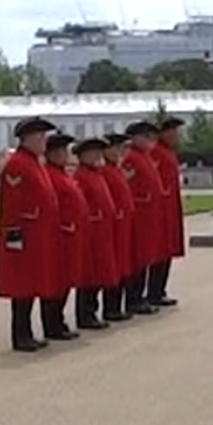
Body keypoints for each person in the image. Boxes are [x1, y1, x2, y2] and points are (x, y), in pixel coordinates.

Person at [0, 116, 62, 352]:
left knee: (32, 284)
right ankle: (20, 335)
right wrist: (14, 235)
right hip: (24, 236)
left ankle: (27, 333)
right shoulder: (18, 164)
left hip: (38, 235)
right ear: (28, 139)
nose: (44, 141)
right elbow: (12, 203)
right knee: (21, 286)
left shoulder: (34, 162)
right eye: (40, 137)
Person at [71, 137, 122, 331]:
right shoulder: (81, 175)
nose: (97, 156)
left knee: (99, 272)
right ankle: (85, 314)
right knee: (89, 274)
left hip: (102, 230)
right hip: (91, 230)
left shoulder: (95, 173)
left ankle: (92, 311)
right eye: (93, 152)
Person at [41, 132, 86, 341]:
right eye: (58, 152)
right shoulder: (49, 174)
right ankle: (53, 324)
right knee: (56, 282)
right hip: (61, 234)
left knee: (66, 280)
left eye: (64, 151)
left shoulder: (62, 174)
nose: (62, 155)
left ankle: (58, 321)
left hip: (71, 233)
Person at [121, 121, 167, 316]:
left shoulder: (144, 157)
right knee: (137, 259)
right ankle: (134, 298)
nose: (148, 140)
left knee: (145, 258)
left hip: (148, 217)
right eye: (144, 136)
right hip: (139, 217)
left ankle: (140, 297)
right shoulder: (131, 158)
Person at [146, 116, 186, 307]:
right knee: (159, 251)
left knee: (167, 250)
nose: (176, 136)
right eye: (172, 132)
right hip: (161, 210)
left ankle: (160, 290)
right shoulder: (157, 153)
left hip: (170, 208)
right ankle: (153, 291)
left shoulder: (168, 153)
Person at [99, 134, 137, 322]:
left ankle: (116, 305)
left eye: (119, 148)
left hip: (122, 224)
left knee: (122, 266)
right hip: (114, 225)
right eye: (113, 148)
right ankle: (110, 307)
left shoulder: (115, 169)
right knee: (113, 267)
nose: (117, 152)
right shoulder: (105, 171)